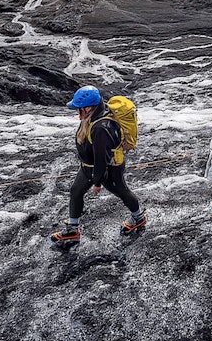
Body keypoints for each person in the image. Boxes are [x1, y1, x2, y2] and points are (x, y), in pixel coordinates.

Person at [50, 86, 146, 250]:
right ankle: (72, 229)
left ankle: (139, 218)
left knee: (120, 190)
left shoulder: (101, 128)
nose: (77, 112)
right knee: (76, 191)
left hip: (109, 168)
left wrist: (97, 181)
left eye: (79, 109)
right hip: (88, 167)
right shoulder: (93, 118)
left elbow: (102, 158)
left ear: (88, 108)